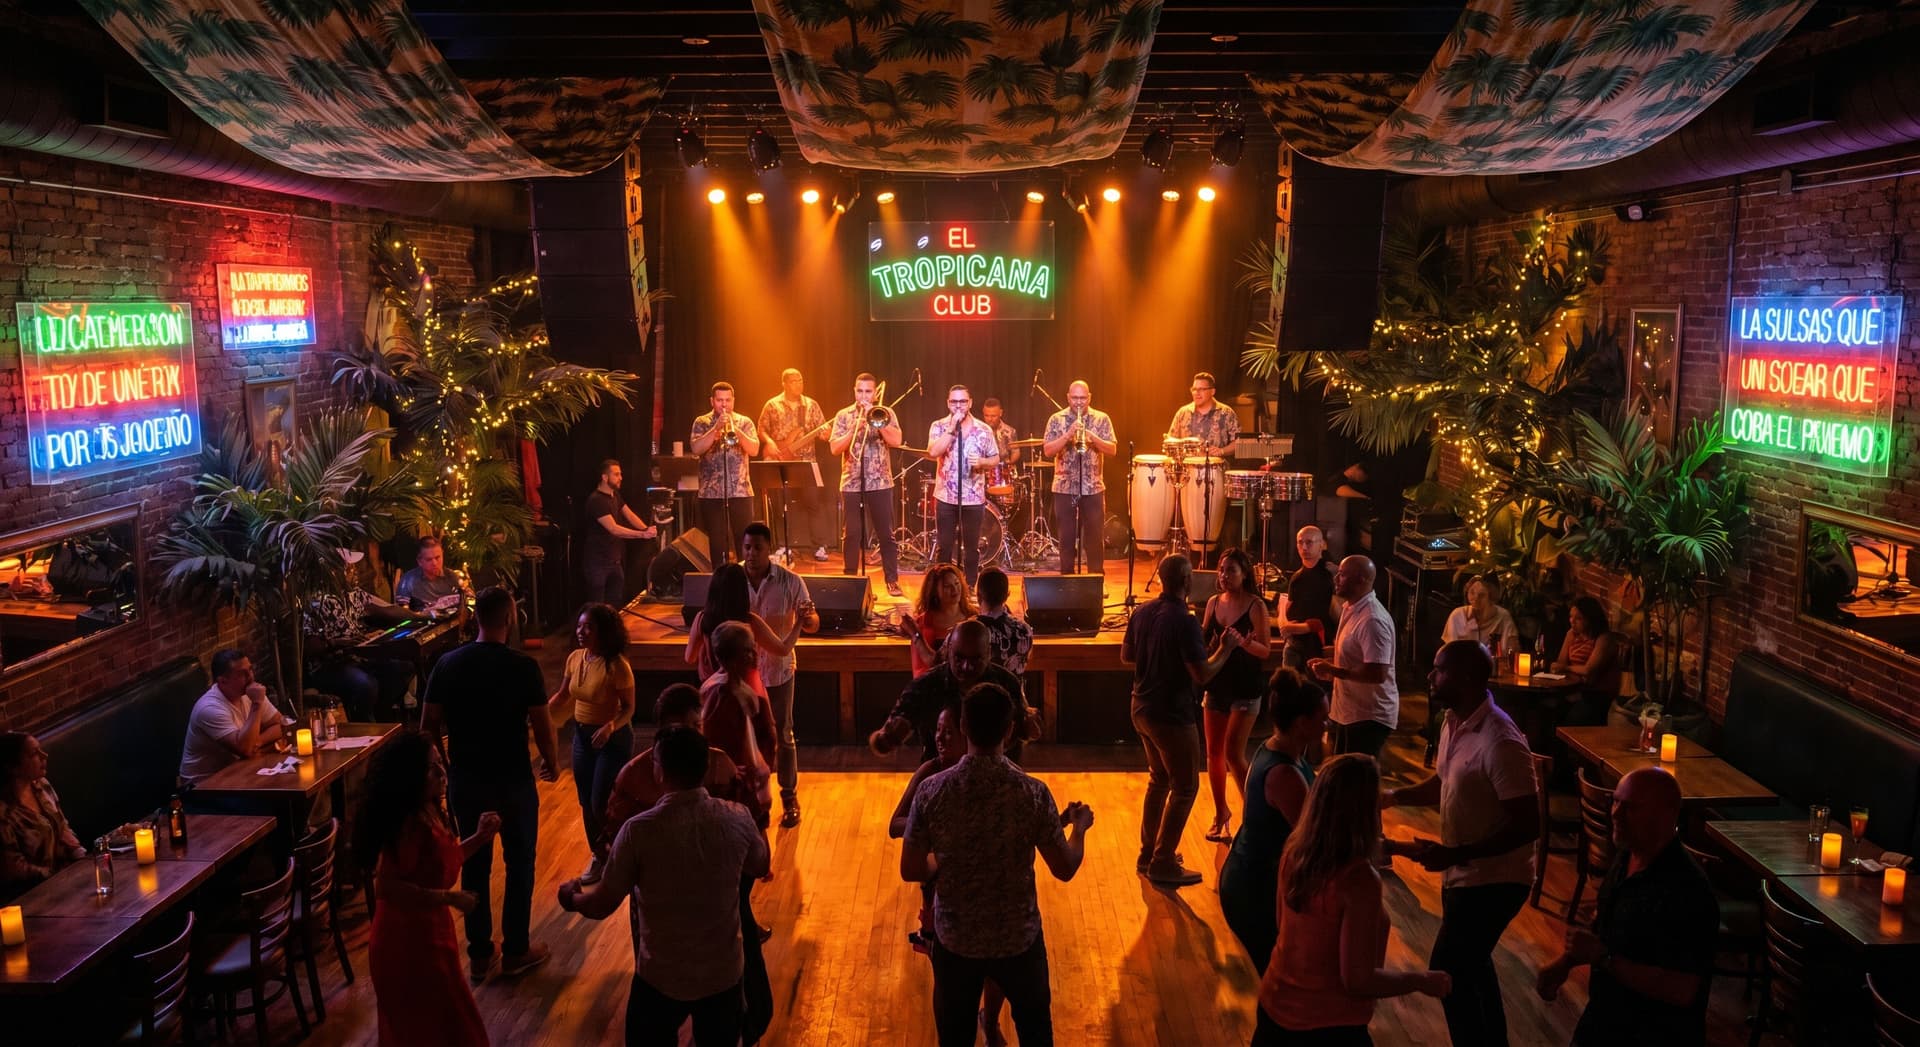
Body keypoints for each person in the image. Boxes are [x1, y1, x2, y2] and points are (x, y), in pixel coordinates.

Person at [902, 682, 1095, 1047]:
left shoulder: (932, 791)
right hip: (1017, 939)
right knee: (1035, 1035)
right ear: (1009, 730)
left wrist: (941, 859)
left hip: (956, 938)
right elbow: (1065, 868)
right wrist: (1080, 830)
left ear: (963, 726)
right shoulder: (1033, 793)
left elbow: (911, 868)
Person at [558, 726, 770, 1047]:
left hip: (661, 975)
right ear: (704, 768)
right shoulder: (736, 818)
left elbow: (603, 904)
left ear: (659, 771)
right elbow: (760, 864)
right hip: (723, 973)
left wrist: (572, 897)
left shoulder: (638, 832)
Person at [1382, 640, 1541, 1047]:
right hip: (1463, 871)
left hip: (1497, 879)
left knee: (1449, 968)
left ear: (1467, 678)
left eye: (1440, 670)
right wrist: (1394, 797)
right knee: (1473, 966)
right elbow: (1444, 781)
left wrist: (1458, 853)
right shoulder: (1452, 721)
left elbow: (1528, 825)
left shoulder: (1501, 741)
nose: (1431, 676)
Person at [1256, 753, 1451, 1044]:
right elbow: (1358, 980)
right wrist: (1421, 980)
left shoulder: (1295, 852)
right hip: (1326, 1025)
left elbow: (1281, 926)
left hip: (1274, 1006)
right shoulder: (1358, 881)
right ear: (1366, 812)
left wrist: (1401, 849)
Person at [421, 586, 559, 983]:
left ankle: (480, 954)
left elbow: (427, 727)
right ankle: (516, 949)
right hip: (514, 779)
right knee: (520, 865)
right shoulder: (523, 666)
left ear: (475, 618)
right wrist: (550, 763)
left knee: (474, 864)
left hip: (467, 780)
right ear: (510, 619)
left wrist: (443, 770)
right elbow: (542, 724)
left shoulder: (447, 664)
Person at [1537, 766, 1719, 1047]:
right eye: (1616, 802)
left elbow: (1682, 989)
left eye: (1630, 807)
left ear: (1666, 816)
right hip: (1606, 1018)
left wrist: (1604, 958)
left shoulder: (1686, 891)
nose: (1615, 814)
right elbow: (1607, 922)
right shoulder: (1626, 857)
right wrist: (1566, 962)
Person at [355, 729, 493, 1047]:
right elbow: (388, 888)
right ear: (411, 778)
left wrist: (480, 838)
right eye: (431, 768)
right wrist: (450, 897)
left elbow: (438, 862)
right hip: (405, 944)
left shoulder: (429, 810)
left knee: (450, 1024)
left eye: (439, 763)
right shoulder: (409, 824)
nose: (442, 772)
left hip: (430, 933)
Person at [1121, 555, 1243, 888]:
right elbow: (1202, 673)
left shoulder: (1142, 612)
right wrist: (1226, 649)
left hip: (1140, 707)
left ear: (1160, 579)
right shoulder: (1185, 620)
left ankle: (1148, 854)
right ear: (1187, 581)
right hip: (1171, 714)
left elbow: (1127, 656)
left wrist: (1159, 655)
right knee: (1186, 786)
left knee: (1158, 779)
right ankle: (1162, 861)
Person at [1217, 671, 1328, 973]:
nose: (1327, 725)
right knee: (1280, 982)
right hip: (1254, 890)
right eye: (1322, 719)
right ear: (1302, 723)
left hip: (1251, 879)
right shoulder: (1285, 775)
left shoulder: (1278, 748)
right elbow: (1316, 839)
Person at [546, 603, 636, 885]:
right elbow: (563, 695)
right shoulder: (575, 658)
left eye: (589, 627)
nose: (581, 632)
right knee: (586, 802)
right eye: (579, 626)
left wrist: (611, 725)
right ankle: (600, 855)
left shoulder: (617, 665)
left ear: (604, 632)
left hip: (612, 740)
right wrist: (535, 713)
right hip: (582, 737)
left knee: (600, 803)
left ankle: (620, 851)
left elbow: (630, 709)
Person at [740, 523, 819, 827]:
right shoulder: (734, 579)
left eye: (757, 548)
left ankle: (789, 796)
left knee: (784, 734)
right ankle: (749, 797)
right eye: (747, 547)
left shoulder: (790, 581)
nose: (751, 554)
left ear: (768, 549)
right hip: (744, 674)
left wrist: (806, 618)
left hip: (778, 672)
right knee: (746, 735)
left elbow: (812, 622)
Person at [874, 619, 1031, 764]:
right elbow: (882, 741)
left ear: (989, 653)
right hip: (939, 777)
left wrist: (1029, 726)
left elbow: (1023, 732)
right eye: (959, 658)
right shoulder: (925, 686)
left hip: (995, 779)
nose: (966, 667)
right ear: (948, 650)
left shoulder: (1007, 684)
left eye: (975, 659)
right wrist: (887, 739)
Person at [1201, 548, 1272, 842]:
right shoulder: (1213, 602)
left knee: (1233, 752)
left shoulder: (1255, 606)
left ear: (1244, 574)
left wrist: (1241, 643)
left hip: (1245, 688)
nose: (1224, 576)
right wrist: (1213, 644)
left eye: (1231, 570)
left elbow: (1266, 650)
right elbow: (1203, 641)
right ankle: (1221, 814)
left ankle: (1254, 813)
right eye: (1221, 570)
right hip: (1217, 685)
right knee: (1214, 752)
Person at [606, 684, 744, 835]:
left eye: (696, 726)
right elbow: (615, 842)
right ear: (661, 732)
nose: (689, 737)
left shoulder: (719, 763)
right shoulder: (633, 775)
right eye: (679, 730)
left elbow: (749, 830)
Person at [304, 548, 413, 721]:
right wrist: (339, 642)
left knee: (402, 669)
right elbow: (310, 647)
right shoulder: (316, 601)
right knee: (366, 684)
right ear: (333, 571)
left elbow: (387, 610)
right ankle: (364, 723)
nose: (354, 571)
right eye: (349, 567)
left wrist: (422, 616)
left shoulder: (353, 593)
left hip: (359, 657)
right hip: (331, 666)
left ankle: (380, 716)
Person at [1309, 556, 1399, 760]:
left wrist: (1333, 671)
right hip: (1349, 711)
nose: (1336, 579)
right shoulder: (1351, 608)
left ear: (1361, 580)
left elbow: (1377, 673)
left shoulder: (1372, 620)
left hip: (1368, 716)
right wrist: (1331, 665)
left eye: (1342, 575)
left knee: (1355, 782)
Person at [829, 372, 905, 596]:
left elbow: (897, 441)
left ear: (875, 393)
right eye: (860, 391)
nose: (864, 395)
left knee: (886, 533)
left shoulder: (885, 412)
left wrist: (876, 422)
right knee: (851, 532)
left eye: (868, 391)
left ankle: (892, 580)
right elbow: (834, 448)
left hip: (881, 482)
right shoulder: (843, 415)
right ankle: (850, 577)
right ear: (854, 391)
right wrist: (855, 427)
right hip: (852, 482)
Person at [699, 622, 779, 828]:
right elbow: (722, 749)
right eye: (750, 648)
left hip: (742, 785)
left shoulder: (726, 686)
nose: (756, 653)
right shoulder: (724, 694)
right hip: (736, 789)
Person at [685, 562, 803, 692]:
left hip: (713, 691)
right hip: (742, 694)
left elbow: (689, 658)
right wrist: (800, 620)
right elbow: (783, 649)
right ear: (742, 591)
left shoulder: (702, 619)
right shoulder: (749, 622)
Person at [1040, 381, 1117, 575]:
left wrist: (1093, 437)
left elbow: (1113, 450)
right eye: (1075, 398)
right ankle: (1067, 581)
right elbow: (1048, 451)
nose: (1079, 402)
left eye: (1083, 398)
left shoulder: (1102, 418)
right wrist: (1068, 435)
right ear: (1068, 397)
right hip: (1064, 487)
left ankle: (1096, 580)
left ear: (1089, 397)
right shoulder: (1056, 419)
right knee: (1066, 538)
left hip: (1093, 487)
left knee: (1094, 538)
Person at [927, 384, 1000, 585]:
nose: (958, 405)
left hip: (974, 497)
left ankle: (969, 588)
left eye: (962, 401)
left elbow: (995, 458)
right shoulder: (939, 426)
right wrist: (952, 428)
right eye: (954, 401)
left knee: (971, 547)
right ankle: (943, 587)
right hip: (945, 496)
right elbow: (933, 452)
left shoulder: (983, 429)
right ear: (948, 403)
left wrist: (983, 462)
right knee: (945, 546)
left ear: (970, 403)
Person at [757, 369, 833, 562]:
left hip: (807, 461)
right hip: (782, 462)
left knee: (813, 503)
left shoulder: (811, 405)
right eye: (794, 381)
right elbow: (761, 429)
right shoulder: (772, 405)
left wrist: (825, 433)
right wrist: (770, 443)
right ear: (784, 383)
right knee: (783, 503)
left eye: (801, 380)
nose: (799, 383)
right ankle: (783, 545)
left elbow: (825, 432)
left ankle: (820, 546)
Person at [179, 648, 286, 784]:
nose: (251, 677)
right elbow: (245, 749)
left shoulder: (250, 692)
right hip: (204, 786)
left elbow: (280, 724)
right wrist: (257, 705)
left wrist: (257, 742)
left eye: (250, 670)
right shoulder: (209, 708)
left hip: (238, 772)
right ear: (222, 681)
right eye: (243, 674)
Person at [0, 732, 86, 900]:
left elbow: (62, 828)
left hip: (67, 882)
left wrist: (82, 856)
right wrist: (58, 876)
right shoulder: (3, 812)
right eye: (34, 754)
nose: (44, 756)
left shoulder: (42, 786)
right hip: (33, 896)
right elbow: (13, 868)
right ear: (13, 767)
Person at [690, 381, 761, 565]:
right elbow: (697, 448)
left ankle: (747, 582)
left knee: (745, 541)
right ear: (712, 401)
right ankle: (720, 583)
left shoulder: (744, 422)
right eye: (720, 400)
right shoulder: (702, 422)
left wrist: (734, 429)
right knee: (717, 543)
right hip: (711, 493)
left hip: (741, 491)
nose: (724, 405)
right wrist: (715, 430)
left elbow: (754, 450)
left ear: (733, 401)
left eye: (728, 400)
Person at [582, 459, 659, 606]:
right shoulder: (596, 501)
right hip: (598, 564)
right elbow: (613, 528)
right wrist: (642, 535)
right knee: (597, 606)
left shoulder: (615, 496)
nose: (621, 478)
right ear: (605, 477)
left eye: (620, 474)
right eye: (616, 474)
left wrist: (646, 530)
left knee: (615, 604)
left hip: (615, 562)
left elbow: (629, 515)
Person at [1553, 595, 1624, 725]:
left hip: (1597, 694)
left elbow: (1588, 670)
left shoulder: (1604, 639)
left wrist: (1567, 669)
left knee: (1572, 717)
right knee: (1548, 709)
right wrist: (1562, 667)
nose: (1572, 621)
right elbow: (1560, 662)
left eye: (1578, 618)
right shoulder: (1571, 634)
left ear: (1590, 619)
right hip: (1575, 688)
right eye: (1571, 616)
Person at [899, 563, 977, 678]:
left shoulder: (974, 616)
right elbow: (923, 669)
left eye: (956, 583)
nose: (954, 589)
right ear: (935, 592)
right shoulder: (924, 622)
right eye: (947, 586)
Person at [1278, 526, 1337, 671]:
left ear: (1321, 545)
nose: (1304, 547)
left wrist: (1300, 627)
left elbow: (1335, 613)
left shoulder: (1332, 575)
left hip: (1322, 645)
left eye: (1309, 542)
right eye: (1300, 542)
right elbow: (1288, 612)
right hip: (1295, 644)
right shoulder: (1297, 578)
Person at [1167, 370, 1240, 458]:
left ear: (1212, 391)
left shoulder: (1227, 413)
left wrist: (1222, 451)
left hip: (1216, 468)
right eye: (1194, 389)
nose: (1196, 393)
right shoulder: (1183, 413)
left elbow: (1239, 442)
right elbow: (1171, 440)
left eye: (1201, 389)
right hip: (1188, 469)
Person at [974, 568, 1033, 677]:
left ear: (978, 596)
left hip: (978, 693)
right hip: (1012, 693)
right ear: (1007, 595)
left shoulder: (965, 631)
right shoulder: (1024, 630)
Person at [1442, 575, 1519, 655]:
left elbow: (1513, 649)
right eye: (1472, 592)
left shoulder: (1503, 616)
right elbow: (1449, 651)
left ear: (1491, 597)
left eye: (1482, 595)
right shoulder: (1457, 616)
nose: (1476, 598)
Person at [396, 536, 466, 614]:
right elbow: (402, 611)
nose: (435, 563)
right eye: (429, 560)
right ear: (419, 561)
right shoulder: (408, 579)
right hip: (423, 623)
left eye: (437, 557)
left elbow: (464, 603)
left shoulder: (452, 576)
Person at [981, 398, 1020, 467]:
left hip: (1003, 470)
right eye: (986, 415)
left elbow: (1015, 452)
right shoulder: (978, 431)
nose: (990, 419)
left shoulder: (1010, 431)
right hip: (984, 471)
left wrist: (1008, 464)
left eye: (993, 416)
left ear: (1000, 413)